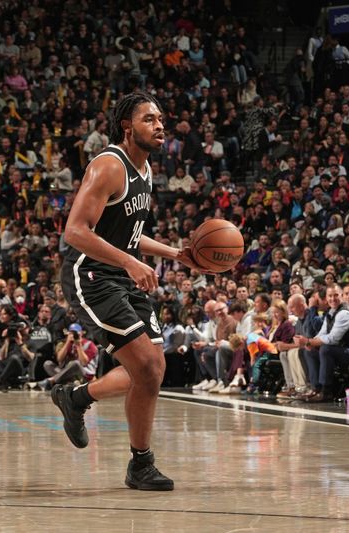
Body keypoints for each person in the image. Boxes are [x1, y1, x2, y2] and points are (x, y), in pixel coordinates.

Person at [54, 92, 207, 491]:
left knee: (153, 370)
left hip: (121, 274)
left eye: (161, 119)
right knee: (145, 366)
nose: (159, 126)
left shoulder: (146, 170)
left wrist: (177, 253)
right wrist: (128, 261)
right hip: (91, 276)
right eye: (149, 119)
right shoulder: (109, 166)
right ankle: (127, 449)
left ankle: (81, 402)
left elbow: (132, 236)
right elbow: (74, 232)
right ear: (127, 126)